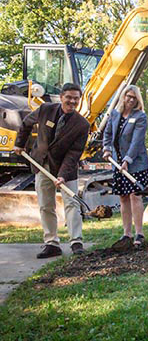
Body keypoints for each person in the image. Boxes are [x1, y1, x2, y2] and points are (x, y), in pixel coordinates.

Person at [14, 83, 90, 258]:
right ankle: (51, 243)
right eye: (69, 97)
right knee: (46, 205)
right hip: (42, 164)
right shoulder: (45, 110)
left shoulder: (82, 125)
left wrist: (62, 175)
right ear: (62, 97)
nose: (72, 101)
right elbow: (26, 124)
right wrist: (19, 144)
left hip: (66, 168)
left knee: (71, 204)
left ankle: (76, 241)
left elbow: (74, 154)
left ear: (79, 100)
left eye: (76, 99)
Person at [103, 85, 148, 248]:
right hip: (117, 162)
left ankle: (139, 233)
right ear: (123, 96)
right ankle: (126, 233)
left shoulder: (140, 117)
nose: (131, 100)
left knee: (134, 196)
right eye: (128, 96)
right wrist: (107, 149)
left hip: (135, 163)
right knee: (123, 197)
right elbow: (108, 134)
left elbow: (137, 141)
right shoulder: (114, 114)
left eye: (134, 98)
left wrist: (127, 160)